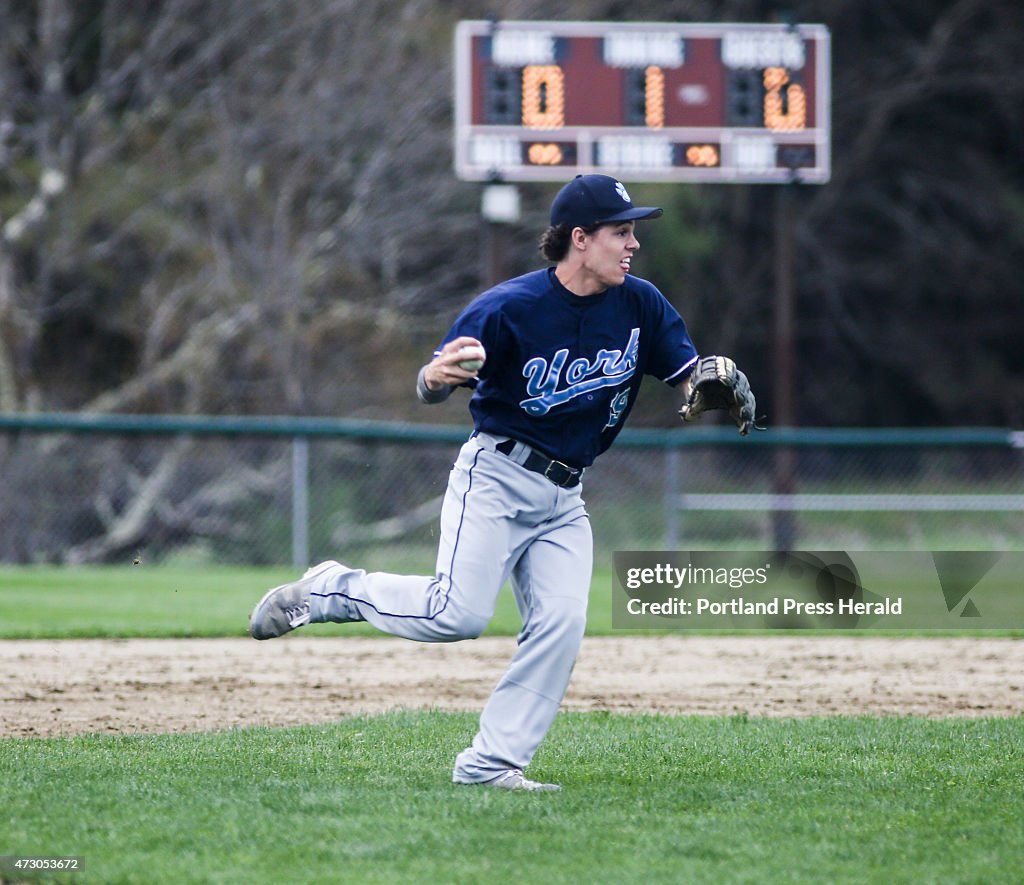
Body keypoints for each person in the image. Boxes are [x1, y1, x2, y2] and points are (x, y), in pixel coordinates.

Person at [249, 174, 711, 791]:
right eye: (620, 232)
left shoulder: (640, 304)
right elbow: (433, 381)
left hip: (565, 498)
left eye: (633, 233)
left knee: (561, 622)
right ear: (580, 239)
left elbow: (687, 372)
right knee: (456, 614)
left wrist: (707, 384)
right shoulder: (508, 309)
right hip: (496, 477)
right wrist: (434, 379)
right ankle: (332, 589)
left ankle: (492, 765)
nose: (633, 245)